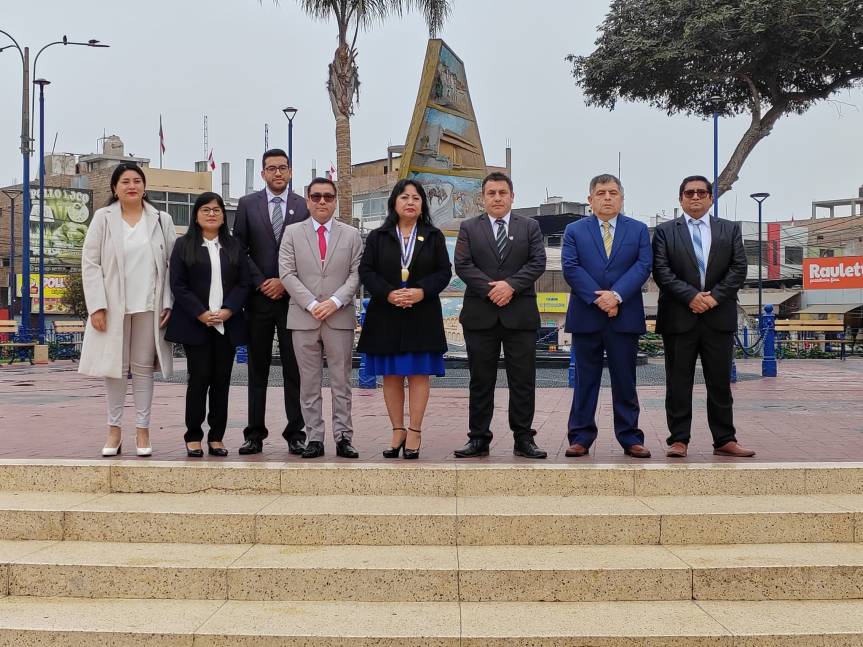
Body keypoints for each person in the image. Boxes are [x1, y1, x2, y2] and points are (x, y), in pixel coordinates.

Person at [652, 176, 755, 457]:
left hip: (718, 316)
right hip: (678, 317)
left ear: (710, 198)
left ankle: (725, 439)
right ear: (681, 199)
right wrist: (691, 297)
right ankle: (678, 440)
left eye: (701, 192)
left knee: (719, 382)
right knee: (678, 383)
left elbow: (738, 268)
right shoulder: (664, 232)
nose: (695, 197)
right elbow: (661, 270)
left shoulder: (729, 229)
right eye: (689, 193)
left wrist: (713, 298)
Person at [79, 162, 176, 457]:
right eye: (125, 181)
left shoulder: (161, 219)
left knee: (143, 368)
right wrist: (97, 306)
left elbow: (172, 265)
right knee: (116, 369)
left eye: (137, 181)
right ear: (115, 188)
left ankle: (143, 430)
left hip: (150, 305)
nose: (131, 186)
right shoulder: (103, 218)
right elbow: (90, 262)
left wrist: (169, 301)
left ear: (144, 187)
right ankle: (114, 429)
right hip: (113, 307)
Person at [452, 172, 547, 459]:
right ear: (482, 198)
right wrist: (491, 290)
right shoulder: (469, 228)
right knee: (481, 381)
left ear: (512, 197)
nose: (497, 198)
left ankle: (524, 438)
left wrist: (510, 286)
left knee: (523, 380)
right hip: (481, 315)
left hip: (520, 315)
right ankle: (478, 438)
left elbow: (538, 262)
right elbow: (463, 265)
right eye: (491, 193)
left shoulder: (530, 226)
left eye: (502, 193)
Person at [357, 179, 452, 459]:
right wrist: (388, 293)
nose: (410, 202)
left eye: (416, 198)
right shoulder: (378, 236)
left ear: (423, 204)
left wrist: (421, 292)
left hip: (422, 315)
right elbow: (367, 271)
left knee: (418, 374)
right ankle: (397, 430)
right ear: (394, 203)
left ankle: (415, 431)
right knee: (392, 375)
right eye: (404, 197)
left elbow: (443, 272)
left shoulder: (433, 236)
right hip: (386, 314)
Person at [562, 174, 652, 458]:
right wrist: (600, 299)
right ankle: (580, 437)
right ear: (590, 200)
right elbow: (571, 267)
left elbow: (643, 266)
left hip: (624, 316)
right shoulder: (574, 230)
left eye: (613, 192)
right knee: (585, 381)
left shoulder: (638, 230)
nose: (607, 197)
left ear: (622, 198)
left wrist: (616, 296)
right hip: (587, 315)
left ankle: (630, 437)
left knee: (625, 381)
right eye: (601, 193)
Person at [279, 178, 363, 459]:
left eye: (328, 196)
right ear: (308, 200)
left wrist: (335, 301)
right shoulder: (292, 233)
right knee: (309, 383)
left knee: (341, 382)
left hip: (339, 317)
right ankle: (314, 437)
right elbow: (287, 273)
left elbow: (356, 273)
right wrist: (313, 304)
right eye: (316, 196)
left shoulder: (351, 235)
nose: (322, 201)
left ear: (335, 200)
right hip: (304, 317)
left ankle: (343, 437)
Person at [232, 149, 309, 455]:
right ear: (262, 173)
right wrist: (262, 281)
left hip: (293, 299)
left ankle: (296, 433)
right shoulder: (247, 204)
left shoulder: (303, 206)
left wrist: (284, 281)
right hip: (259, 298)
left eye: (283, 168)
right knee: (257, 369)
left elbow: (306, 252)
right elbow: (240, 249)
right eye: (272, 168)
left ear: (290, 172)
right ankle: (254, 434)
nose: (278, 173)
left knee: (294, 369)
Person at [165, 192, 251, 457]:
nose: (211, 214)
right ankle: (193, 436)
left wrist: (229, 310)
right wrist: (200, 313)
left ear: (224, 216)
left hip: (227, 324)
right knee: (199, 379)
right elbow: (178, 284)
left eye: (216, 210)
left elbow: (244, 283)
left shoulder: (234, 246)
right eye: (206, 210)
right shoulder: (183, 245)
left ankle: (217, 437)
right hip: (197, 324)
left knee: (221, 381)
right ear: (196, 215)